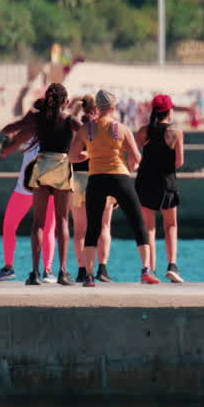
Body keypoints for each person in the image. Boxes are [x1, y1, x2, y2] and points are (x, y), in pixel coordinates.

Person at [68, 89, 157, 286]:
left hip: (97, 178)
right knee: (137, 222)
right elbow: (137, 157)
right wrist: (133, 165)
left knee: (93, 227)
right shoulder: (122, 129)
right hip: (120, 177)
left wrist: (86, 155)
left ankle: (89, 275)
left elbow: (72, 156)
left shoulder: (86, 130)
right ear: (114, 107)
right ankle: (146, 269)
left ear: (97, 107)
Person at [2, 84, 79, 286]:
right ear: (66, 102)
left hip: (42, 166)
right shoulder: (69, 120)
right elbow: (90, 134)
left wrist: (24, 124)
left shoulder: (37, 119)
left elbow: (8, 129)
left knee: (38, 222)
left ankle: (35, 273)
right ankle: (62, 272)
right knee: (62, 221)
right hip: (62, 166)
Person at [135, 94, 186, 283]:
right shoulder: (175, 132)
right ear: (169, 111)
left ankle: (149, 268)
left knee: (149, 227)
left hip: (146, 180)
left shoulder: (144, 131)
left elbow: (134, 150)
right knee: (170, 225)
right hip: (166, 182)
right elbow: (179, 162)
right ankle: (172, 265)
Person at [0, 135, 56, 282]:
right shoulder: (31, 126)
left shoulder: (57, 125)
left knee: (48, 229)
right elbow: (6, 149)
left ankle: (47, 270)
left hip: (46, 186)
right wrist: (10, 138)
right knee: (9, 225)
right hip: (27, 187)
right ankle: (9, 267)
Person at [69, 94, 114, 284]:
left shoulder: (76, 128)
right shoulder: (103, 127)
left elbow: (71, 154)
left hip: (78, 179)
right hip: (100, 177)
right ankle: (102, 268)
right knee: (103, 226)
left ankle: (82, 270)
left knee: (80, 229)